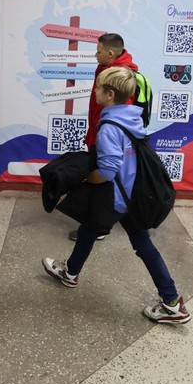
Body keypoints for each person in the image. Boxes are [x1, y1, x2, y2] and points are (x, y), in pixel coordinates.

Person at [43, 67, 191, 324]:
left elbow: (109, 170)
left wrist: (85, 179)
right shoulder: (131, 117)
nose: (95, 91)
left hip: (117, 197)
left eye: (98, 88)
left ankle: (71, 272)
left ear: (109, 94)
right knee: (133, 242)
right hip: (132, 193)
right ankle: (170, 301)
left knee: (95, 229)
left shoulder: (110, 127)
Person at [69, 32, 140, 241]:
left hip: (106, 139)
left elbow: (119, 117)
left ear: (110, 53)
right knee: (140, 239)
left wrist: (102, 139)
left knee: (103, 184)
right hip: (99, 135)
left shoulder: (119, 76)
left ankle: (97, 227)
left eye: (98, 51)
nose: (95, 55)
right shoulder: (105, 69)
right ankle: (95, 226)